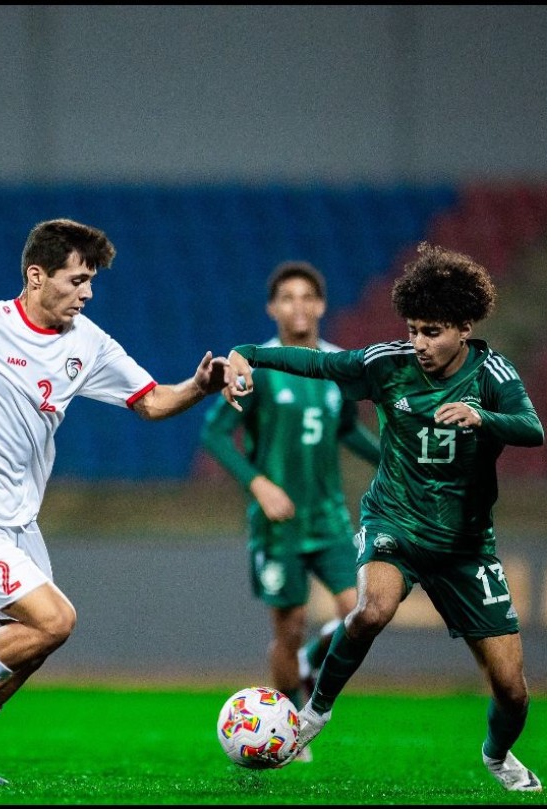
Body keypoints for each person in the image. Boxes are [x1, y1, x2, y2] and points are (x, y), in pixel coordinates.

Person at [0, 217, 229, 786]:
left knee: (35, 643)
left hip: (19, 522)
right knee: (55, 620)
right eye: (77, 279)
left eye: (91, 280)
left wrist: (201, 385)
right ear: (36, 276)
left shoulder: (90, 343)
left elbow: (150, 402)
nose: (88, 292)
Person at [223, 241, 545, 792]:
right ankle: (313, 715)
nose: (419, 343)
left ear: (464, 326)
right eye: (414, 328)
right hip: (395, 520)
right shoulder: (388, 364)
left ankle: (498, 755)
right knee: (371, 610)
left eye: (433, 331)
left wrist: (482, 417)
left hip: (466, 544)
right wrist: (248, 352)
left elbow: (532, 429)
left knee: (512, 689)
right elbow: (320, 362)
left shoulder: (493, 373)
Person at [199, 260, 379, 737]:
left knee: (361, 611)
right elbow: (215, 434)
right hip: (277, 525)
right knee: (289, 626)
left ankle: (310, 662)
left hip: (330, 519)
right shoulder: (256, 368)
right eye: (287, 298)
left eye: (307, 297)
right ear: (272, 308)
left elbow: (347, 431)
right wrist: (258, 483)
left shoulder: (339, 365)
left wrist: (392, 459)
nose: (298, 306)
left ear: (320, 305)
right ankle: (291, 730)